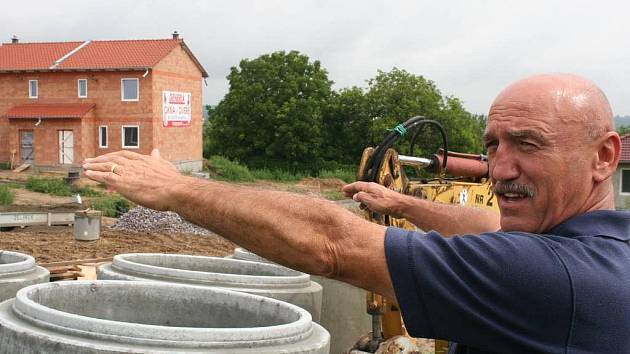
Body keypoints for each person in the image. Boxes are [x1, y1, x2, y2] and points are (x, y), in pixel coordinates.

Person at [83, 73, 630, 354]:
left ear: (604, 156)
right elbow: (488, 222)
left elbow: (332, 243)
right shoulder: (604, 250)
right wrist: (403, 203)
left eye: (528, 145)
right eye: (492, 146)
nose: (499, 169)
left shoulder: (557, 279)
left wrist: (178, 190)